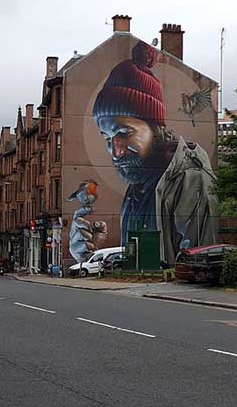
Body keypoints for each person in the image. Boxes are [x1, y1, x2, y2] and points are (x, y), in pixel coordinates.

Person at [77, 41, 219, 264]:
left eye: (123, 132)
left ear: (156, 128)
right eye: (107, 139)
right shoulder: (139, 185)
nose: (116, 151)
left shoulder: (189, 179)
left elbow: (199, 259)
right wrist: (91, 253)